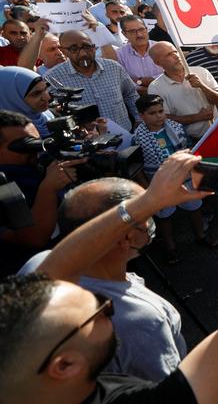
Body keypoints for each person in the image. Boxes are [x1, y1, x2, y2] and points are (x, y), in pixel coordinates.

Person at [0, 153, 218, 404]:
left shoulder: (34, 282)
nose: (106, 303)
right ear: (65, 365)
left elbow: (54, 269)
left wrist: (150, 201)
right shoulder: (142, 328)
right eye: (101, 310)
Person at [17, 177, 187, 382]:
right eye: (147, 218)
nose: (151, 224)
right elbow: (171, 392)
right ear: (127, 238)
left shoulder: (41, 262)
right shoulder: (141, 322)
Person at [132, 94, 215, 262]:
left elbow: (189, 149)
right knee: (165, 216)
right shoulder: (138, 138)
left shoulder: (176, 127)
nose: (159, 116)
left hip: (185, 178)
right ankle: (171, 247)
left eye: (161, 111)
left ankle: (201, 235)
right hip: (159, 183)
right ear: (142, 116)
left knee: (194, 207)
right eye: (152, 113)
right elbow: (138, 166)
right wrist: (147, 187)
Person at [0, 110, 81, 276]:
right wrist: (48, 188)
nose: (33, 151)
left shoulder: (38, 167)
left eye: (35, 142)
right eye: (22, 146)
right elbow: (33, 238)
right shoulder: (4, 184)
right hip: (29, 278)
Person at [45, 30, 140, 131]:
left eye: (86, 46)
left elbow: (131, 95)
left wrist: (139, 119)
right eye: (74, 49)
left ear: (94, 47)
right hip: (87, 142)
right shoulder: (53, 79)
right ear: (63, 51)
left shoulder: (113, 68)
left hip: (126, 136)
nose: (82, 53)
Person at [147, 42, 218, 142]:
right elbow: (164, 119)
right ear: (158, 62)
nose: (176, 56)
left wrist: (202, 86)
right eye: (169, 54)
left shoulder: (201, 71)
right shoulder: (155, 87)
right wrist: (197, 117)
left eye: (175, 51)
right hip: (188, 142)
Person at [0, 66, 54, 137]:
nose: (47, 97)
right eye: (36, 94)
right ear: (12, 97)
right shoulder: (7, 135)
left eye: (45, 89)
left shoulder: (49, 115)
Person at [115, 16, 161, 94]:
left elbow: (172, 73)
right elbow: (122, 83)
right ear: (124, 34)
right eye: (133, 31)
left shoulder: (161, 48)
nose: (139, 34)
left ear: (146, 29)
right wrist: (140, 83)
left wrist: (151, 79)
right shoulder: (120, 55)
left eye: (141, 29)